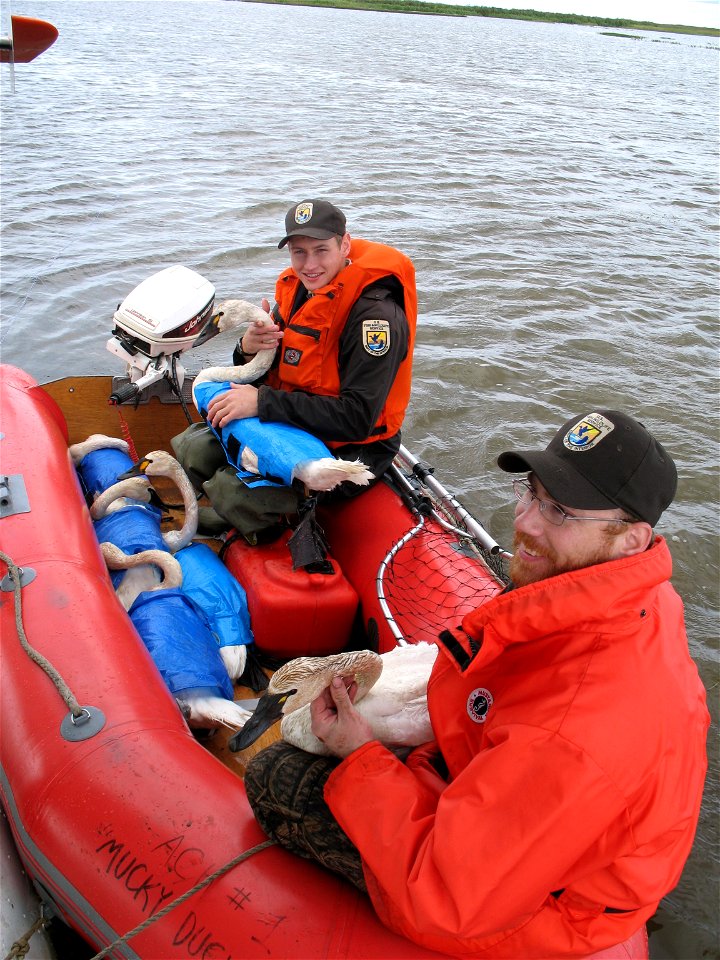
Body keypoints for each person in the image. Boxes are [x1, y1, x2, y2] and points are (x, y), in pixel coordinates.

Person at [244, 409, 710, 959]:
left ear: (631, 540)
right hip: (528, 828)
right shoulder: (636, 596)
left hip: (528, 911)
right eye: (532, 493)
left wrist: (361, 754)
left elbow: (446, 894)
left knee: (280, 777)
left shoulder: (572, 729)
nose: (526, 522)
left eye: (559, 512)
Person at [175, 199, 417, 541]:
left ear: (345, 244)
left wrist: (263, 404)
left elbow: (358, 417)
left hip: (351, 446)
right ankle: (240, 508)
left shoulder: (375, 320)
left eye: (321, 250)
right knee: (193, 447)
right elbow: (266, 371)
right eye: (299, 252)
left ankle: (269, 534)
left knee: (234, 493)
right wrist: (247, 349)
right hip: (294, 419)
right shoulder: (298, 291)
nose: (310, 264)